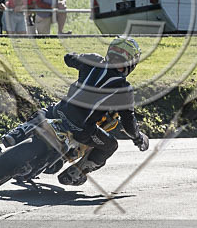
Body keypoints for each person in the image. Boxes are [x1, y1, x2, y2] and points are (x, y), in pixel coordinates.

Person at [51, 36, 149, 185]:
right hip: (82, 129)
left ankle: (20, 132)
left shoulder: (94, 60)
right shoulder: (124, 88)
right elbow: (128, 121)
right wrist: (137, 137)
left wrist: (75, 57)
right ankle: (75, 173)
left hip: (61, 111)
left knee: (48, 110)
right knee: (111, 146)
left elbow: (68, 58)